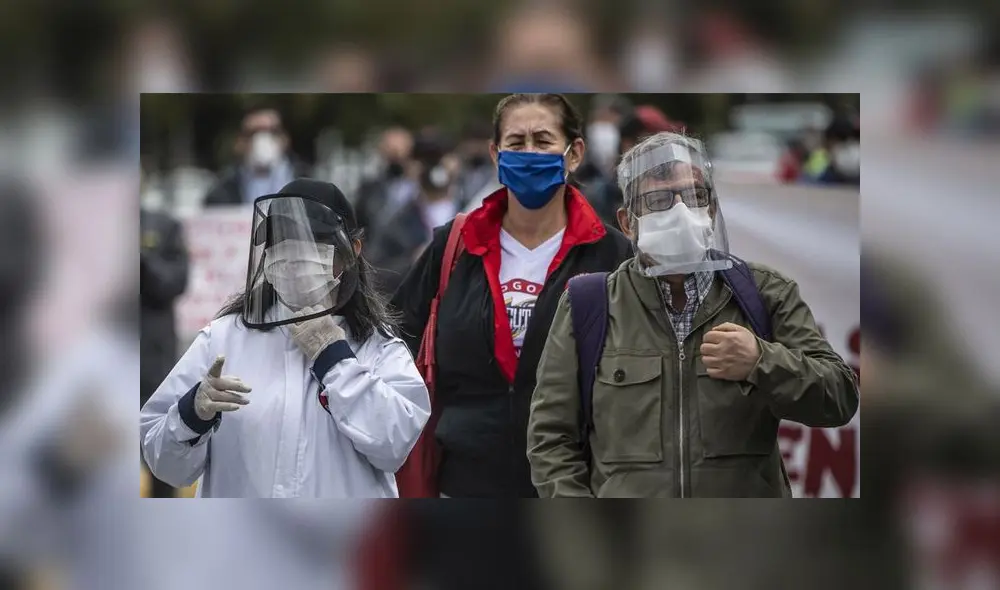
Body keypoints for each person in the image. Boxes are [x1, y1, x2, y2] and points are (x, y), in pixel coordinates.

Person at [527, 132, 859, 498]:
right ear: (627, 222)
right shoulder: (589, 304)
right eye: (659, 199)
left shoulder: (765, 293)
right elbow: (550, 440)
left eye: (694, 196)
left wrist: (761, 361)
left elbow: (839, 397)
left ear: (712, 209)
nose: (681, 211)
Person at [392, 93, 633, 498]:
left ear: (573, 153)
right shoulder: (455, 245)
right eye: (516, 143)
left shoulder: (611, 252)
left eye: (543, 141)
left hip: (575, 487)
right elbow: (393, 338)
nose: (529, 153)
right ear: (495, 153)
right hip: (465, 483)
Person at [141, 179, 430, 498]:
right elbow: (163, 462)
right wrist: (191, 415)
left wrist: (335, 360)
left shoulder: (377, 345)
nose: (293, 257)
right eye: (281, 243)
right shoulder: (224, 338)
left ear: (352, 252)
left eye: (312, 242)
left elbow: (395, 445)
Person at [367, 129, 460, 295]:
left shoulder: (476, 209)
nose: (434, 167)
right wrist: (413, 262)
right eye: (425, 159)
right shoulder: (395, 223)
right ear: (410, 166)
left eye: (440, 157)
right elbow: (375, 275)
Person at [140, 205, 190, 498]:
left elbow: (176, 282)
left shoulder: (164, 225)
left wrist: (142, 263)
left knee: (159, 450)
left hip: (152, 360)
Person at [202, 105, 312, 206]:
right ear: (239, 142)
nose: (262, 140)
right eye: (253, 133)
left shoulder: (308, 183)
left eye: (272, 131)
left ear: (285, 138)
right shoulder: (221, 192)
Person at [355, 126, 419, 247]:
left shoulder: (419, 188)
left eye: (400, 151)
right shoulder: (369, 190)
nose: (396, 157)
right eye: (390, 151)